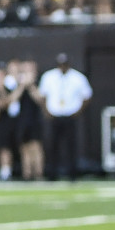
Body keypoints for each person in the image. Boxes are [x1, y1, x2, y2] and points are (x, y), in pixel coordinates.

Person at [37, 53, 93, 181]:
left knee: (71, 145)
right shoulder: (49, 76)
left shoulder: (78, 77)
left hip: (70, 115)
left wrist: (78, 111)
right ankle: (52, 173)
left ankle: (72, 173)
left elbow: (87, 96)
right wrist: (46, 111)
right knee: (52, 145)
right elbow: (43, 96)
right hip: (54, 115)